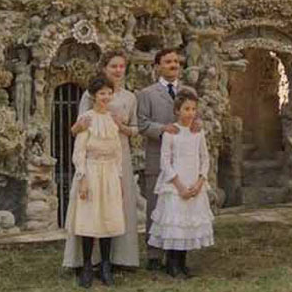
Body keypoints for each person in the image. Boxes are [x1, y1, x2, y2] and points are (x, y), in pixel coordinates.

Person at [65, 50, 140, 270]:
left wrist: (121, 126)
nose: (118, 70)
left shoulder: (129, 97)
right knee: (91, 206)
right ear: (104, 68)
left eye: (121, 66)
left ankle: (119, 258)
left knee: (118, 205)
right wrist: (79, 128)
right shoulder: (90, 95)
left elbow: (135, 129)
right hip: (93, 157)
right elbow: (79, 127)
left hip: (119, 155)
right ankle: (88, 260)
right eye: (113, 66)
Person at [136, 47, 200, 271]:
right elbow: (142, 124)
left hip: (184, 164)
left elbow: (195, 117)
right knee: (156, 207)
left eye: (176, 62)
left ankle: (179, 253)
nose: (174, 65)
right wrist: (163, 129)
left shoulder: (188, 91)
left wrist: (197, 124)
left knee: (180, 208)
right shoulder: (147, 94)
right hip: (158, 159)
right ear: (157, 67)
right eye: (168, 62)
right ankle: (154, 254)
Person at [62, 78, 127, 288]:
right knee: (89, 219)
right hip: (91, 172)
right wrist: (82, 178)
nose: (105, 97)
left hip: (109, 173)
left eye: (108, 93)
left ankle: (106, 265)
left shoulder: (113, 119)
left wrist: (119, 178)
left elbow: (118, 152)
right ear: (93, 96)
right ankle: (87, 266)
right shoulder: (86, 119)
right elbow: (79, 152)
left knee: (108, 217)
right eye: (101, 94)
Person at [148, 88, 214, 278]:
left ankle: (183, 262)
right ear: (177, 110)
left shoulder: (198, 133)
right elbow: (165, 161)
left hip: (193, 182)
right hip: (175, 184)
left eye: (193, 109)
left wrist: (200, 182)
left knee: (187, 221)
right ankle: (172, 263)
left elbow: (205, 158)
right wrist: (179, 186)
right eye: (186, 109)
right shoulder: (171, 133)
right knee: (175, 221)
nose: (190, 113)